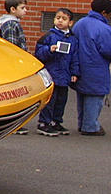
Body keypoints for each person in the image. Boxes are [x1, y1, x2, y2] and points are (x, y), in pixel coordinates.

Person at [71, 0, 111, 136]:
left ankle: (82, 123)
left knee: (82, 96)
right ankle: (90, 126)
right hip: (96, 68)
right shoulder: (103, 28)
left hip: (79, 66)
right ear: (104, 12)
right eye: (109, 14)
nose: (110, 17)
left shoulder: (80, 23)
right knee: (94, 97)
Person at [33, 8, 78, 136]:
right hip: (52, 73)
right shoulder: (49, 36)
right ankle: (44, 123)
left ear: (70, 23)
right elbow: (39, 54)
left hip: (64, 75)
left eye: (64, 19)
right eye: (58, 18)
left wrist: (75, 73)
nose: (60, 21)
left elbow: (75, 57)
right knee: (50, 101)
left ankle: (56, 121)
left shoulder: (73, 39)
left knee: (61, 100)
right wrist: (49, 50)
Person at [0, 0, 29, 133]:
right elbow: (11, 47)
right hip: (13, 66)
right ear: (13, 9)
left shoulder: (12, 23)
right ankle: (13, 124)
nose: (25, 10)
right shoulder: (10, 25)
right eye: (22, 8)